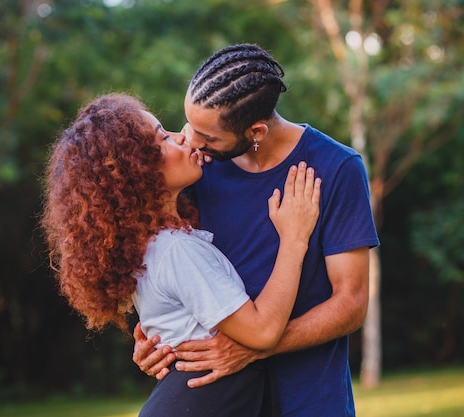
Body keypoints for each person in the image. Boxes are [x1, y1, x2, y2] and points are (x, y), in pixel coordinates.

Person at [132, 43, 380, 416]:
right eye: (189, 126)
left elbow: (351, 303)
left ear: (255, 131)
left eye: (208, 137)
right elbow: (174, 268)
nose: (191, 143)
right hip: (225, 401)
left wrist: (254, 347)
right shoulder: (199, 170)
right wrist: (157, 338)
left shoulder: (337, 168)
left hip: (310, 400)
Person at [41, 92, 321, 417]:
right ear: (139, 173)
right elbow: (262, 331)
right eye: (164, 138)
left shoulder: (152, 248)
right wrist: (294, 238)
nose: (183, 136)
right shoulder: (175, 250)